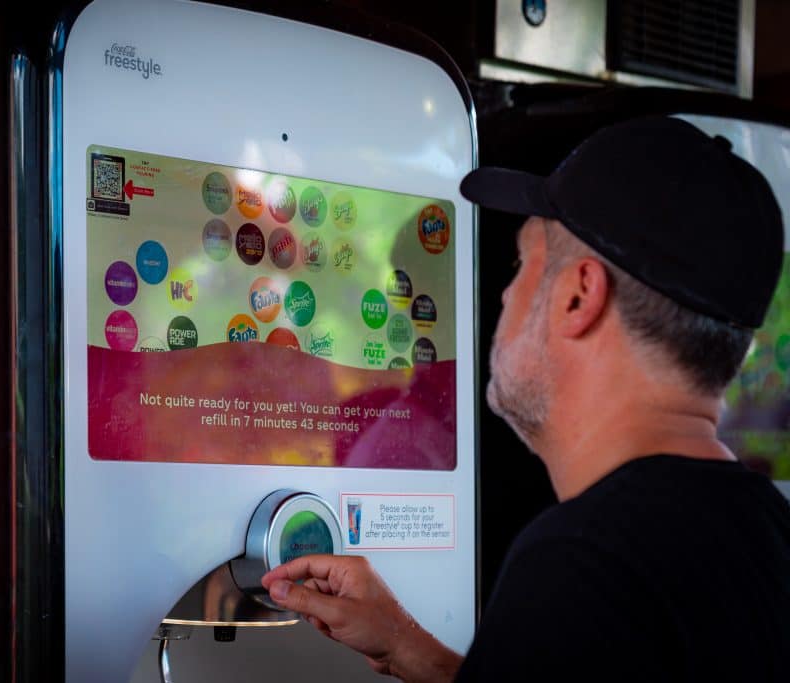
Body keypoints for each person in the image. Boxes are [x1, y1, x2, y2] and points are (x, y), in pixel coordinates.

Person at [260, 116, 790, 681]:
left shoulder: (583, 564)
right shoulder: (768, 534)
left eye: (522, 262)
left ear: (577, 296)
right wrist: (410, 647)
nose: (505, 293)